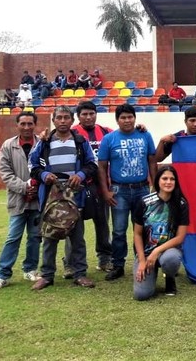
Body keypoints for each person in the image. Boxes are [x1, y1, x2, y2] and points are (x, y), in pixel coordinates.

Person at [29, 106, 98, 290]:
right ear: (53, 120)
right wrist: (44, 176)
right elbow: (32, 165)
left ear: (72, 120)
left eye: (66, 117)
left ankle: (80, 274)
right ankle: (47, 276)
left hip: (74, 195)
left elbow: (92, 164)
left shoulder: (80, 141)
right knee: (50, 236)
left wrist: (81, 175)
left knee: (77, 236)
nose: (62, 121)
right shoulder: (44, 142)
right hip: (51, 194)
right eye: (58, 117)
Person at [97, 104, 157, 281]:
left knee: (144, 228)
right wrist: (106, 191)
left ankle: (142, 261)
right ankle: (118, 265)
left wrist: (156, 186)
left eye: (130, 117)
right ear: (117, 120)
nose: (127, 120)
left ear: (135, 118)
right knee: (119, 230)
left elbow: (152, 161)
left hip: (142, 189)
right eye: (123, 117)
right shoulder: (109, 139)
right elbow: (101, 167)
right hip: (119, 191)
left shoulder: (145, 135)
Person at [0, 112, 42, 290]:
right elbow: (5, 173)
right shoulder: (8, 145)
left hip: (38, 200)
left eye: (30, 124)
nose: (26, 127)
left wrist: (37, 186)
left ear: (35, 125)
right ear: (17, 125)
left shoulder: (42, 144)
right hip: (17, 200)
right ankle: (2, 274)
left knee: (35, 237)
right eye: (23, 124)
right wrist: (24, 187)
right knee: (13, 237)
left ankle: (31, 269)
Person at [68, 101, 113, 273]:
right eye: (84, 114)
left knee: (102, 224)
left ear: (96, 114)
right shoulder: (70, 133)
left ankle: (104, 259)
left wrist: (140, 128)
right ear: (78, 117)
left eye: (91, 113)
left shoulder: (106, 132)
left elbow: (123, 137)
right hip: (77, 187)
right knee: (72, 225)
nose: (88, 117)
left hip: (102, 187)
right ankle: (70, 264)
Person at [133, 166, 189, 300]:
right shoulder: (144, 202)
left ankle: (169, 278)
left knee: (171, 259)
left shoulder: (181, 204)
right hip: (146, 253)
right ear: (158, 180)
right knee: (142, 295)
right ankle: (150, 274)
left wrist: (156, 251)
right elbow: (137, 234)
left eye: (172, 179)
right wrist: (141, 260)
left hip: (168, 251)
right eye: (165, 178)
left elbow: (180, 237)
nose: (168, 182)